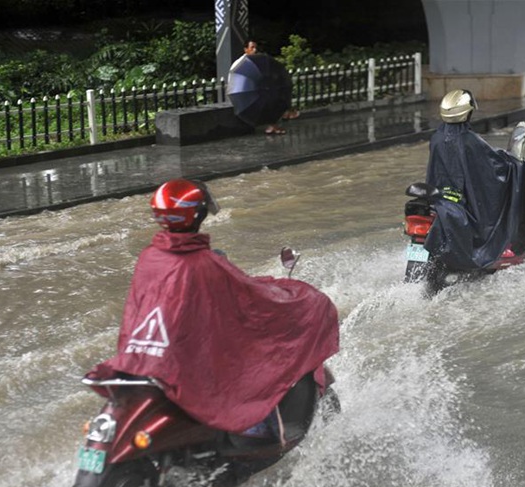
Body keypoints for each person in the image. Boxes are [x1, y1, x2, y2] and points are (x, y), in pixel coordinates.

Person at [85, 179, 339, 436]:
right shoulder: (202, 263)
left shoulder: (151, 257)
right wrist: (298, 297)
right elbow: (251, 298)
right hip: (187, 363)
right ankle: (264, 430)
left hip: (153, 361)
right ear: (200, 214)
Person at [423, 89, 525, 272]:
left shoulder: (436, 138)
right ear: (467, 113)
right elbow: (495, 168)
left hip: (441, 198)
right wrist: (516, 164)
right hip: (463, 204)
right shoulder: (470, 140)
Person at [240, 40, 298, 134]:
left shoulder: (259, 60)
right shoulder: (243, 63)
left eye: (256, 48)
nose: (255, 50)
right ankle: (278, 120)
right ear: (246, 49)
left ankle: (275, 122)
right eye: (252, 48)